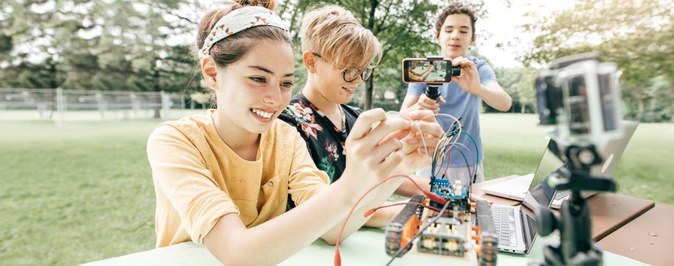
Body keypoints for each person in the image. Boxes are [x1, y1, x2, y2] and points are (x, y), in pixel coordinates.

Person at [146, 1, 438, 264]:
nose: (275, 98)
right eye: (258, 78)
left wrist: (394, 162)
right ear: (211, 73)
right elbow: (238, 252)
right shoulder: (175, 140)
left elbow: (334, 226)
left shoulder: (286, 138)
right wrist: (351, 185)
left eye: (285, 83)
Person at [278, 4, 440, 224]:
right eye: (348, 70)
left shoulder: (354, 117)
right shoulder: (287, 123)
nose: (357, 80)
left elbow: (388, 176)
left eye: (363, 69)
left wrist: (442, 196)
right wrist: (421, 213)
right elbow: (322, 213)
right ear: (311, 62)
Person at [400, 3, 512, 185]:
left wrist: (478, 89)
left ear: (473, 38)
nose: (455, 36)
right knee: (426, 210)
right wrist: (421, 105)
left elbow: (505, 103)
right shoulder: (424, 69)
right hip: (429, 157)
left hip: (468, 160)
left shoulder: (478, 68)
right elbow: (403, 113)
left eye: (463, 31)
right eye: (449, 30)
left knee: (471, 210)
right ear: (437, 36)